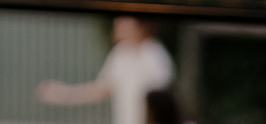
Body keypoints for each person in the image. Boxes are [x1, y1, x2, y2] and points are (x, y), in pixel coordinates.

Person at [36, 15, 174, 124]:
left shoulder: (156, 55)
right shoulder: (120, 54)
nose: (118, 24)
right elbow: (100, 89)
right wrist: (62, 94)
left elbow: (162, 103)